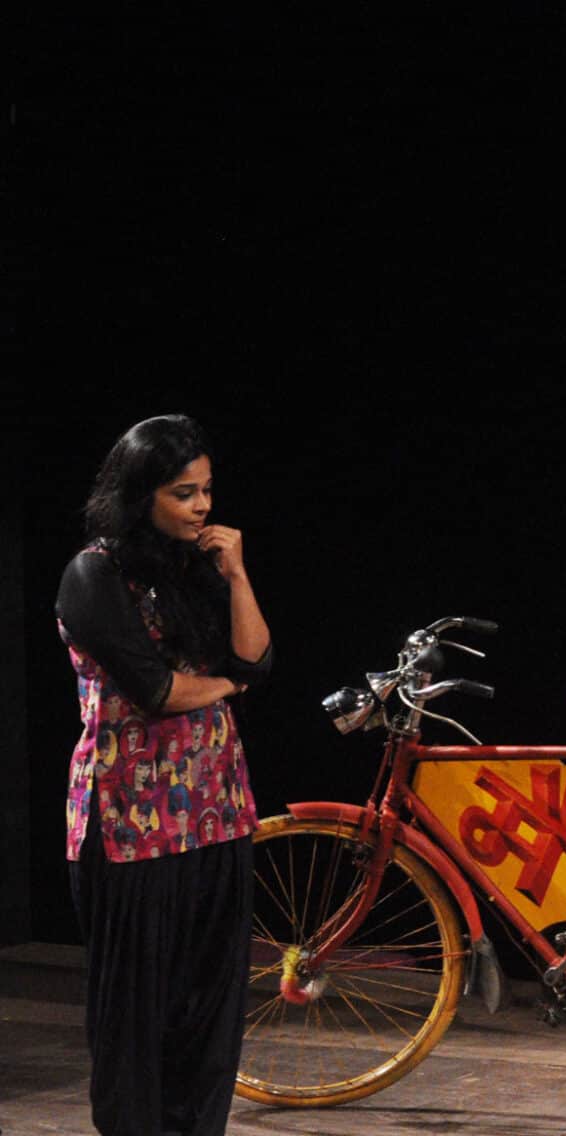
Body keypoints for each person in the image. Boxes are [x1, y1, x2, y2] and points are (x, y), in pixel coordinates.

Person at [56, 414, 272, 1136]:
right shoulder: (94, 574)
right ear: (142, 492)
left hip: (215, 810)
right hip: (129, 825)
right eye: (185, 493)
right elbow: (157, 691)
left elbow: (256, 658)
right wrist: (231, 686)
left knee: (208, 1010)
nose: (203, 507)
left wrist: (237, 574)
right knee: (135, 1015)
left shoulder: (198, 566)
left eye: (207, 490)